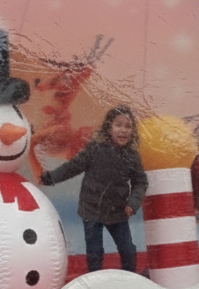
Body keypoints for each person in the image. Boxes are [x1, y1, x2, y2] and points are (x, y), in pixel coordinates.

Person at [40, 105, 148, 273]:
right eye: (118, 125)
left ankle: (130, 278)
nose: (123, 130)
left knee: (128, 249)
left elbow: (140, 182)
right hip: (91, 209)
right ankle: (95, 279)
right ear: (109, 127)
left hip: (117, 211)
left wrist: (133, 203)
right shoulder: (95, 149)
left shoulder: (132, 156)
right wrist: (51, 177)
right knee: (95, 251)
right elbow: (72, 167)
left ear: (133, 131)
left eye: (128, 126)